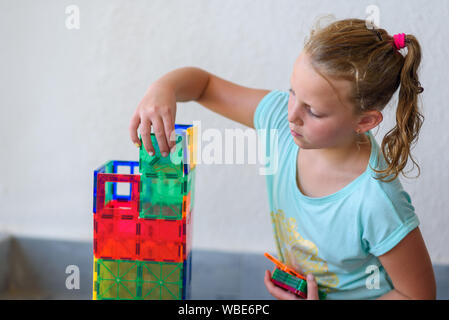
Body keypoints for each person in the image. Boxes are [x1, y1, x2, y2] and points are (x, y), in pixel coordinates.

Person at [129, 18, 435, 299]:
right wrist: (162, 89)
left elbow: (418, 296)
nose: (291, 115)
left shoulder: (377, 201)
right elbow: (204, 85)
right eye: (292, 92)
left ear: (365, 122)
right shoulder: (280, 120)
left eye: (313, 111)